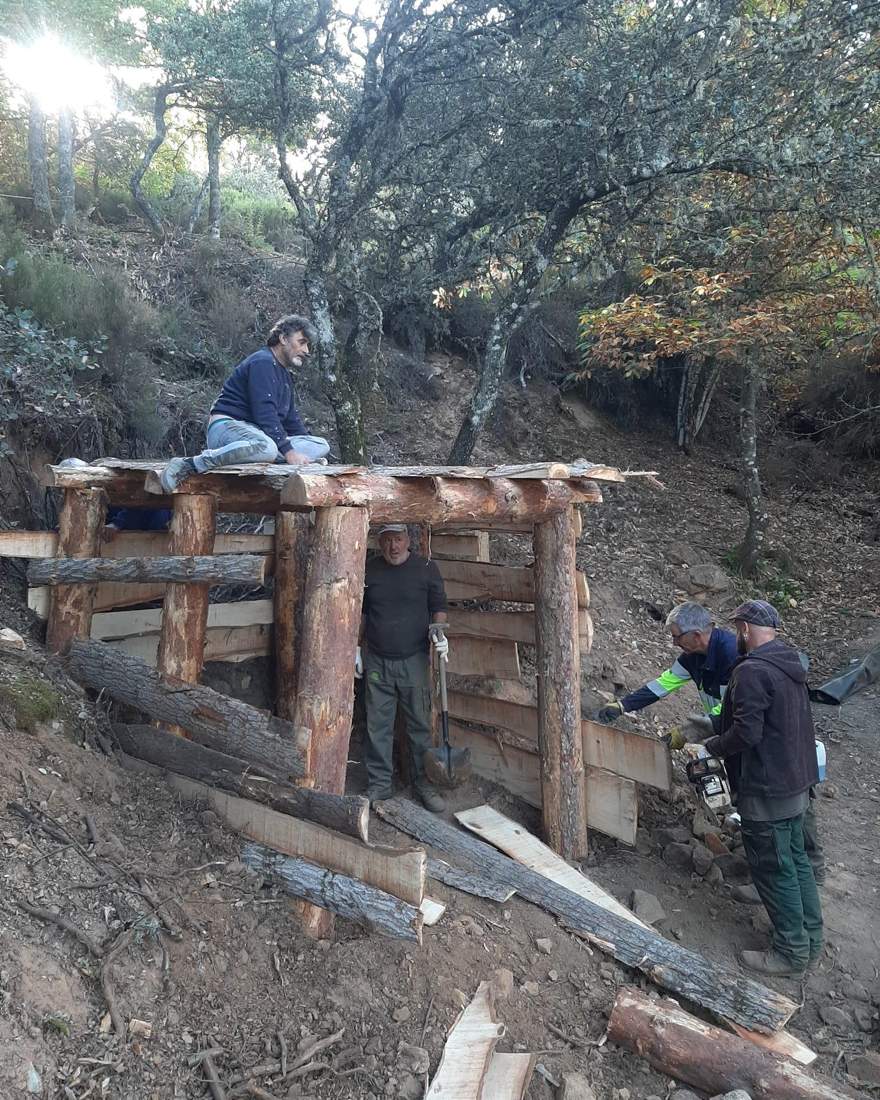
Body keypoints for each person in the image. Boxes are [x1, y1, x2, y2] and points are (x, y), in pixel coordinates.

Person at [704, 600, 823, 977]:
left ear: (744, 629)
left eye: (737, 627)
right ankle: (812, 938)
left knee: (774, 869)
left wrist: (712, 746)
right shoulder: (789, 663)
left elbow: (747, 732)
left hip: (767, 788)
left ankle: (790, 951)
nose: (736, 634)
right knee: (797, 862)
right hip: (796, 782)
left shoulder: (753, 671)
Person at [159, 314, 330, 493]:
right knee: (267, 448)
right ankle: (190, 464)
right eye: (302, 342)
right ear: (283, 339)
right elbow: (264, 413)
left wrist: (302, 454)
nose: (307, 350)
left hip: (258, 437)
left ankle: (271, 456)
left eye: (308, 345)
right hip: (227, 428)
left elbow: (291, 421)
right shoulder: (262, 362)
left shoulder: (285, 375)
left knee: (320, 445)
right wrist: (289, 452)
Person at [357, 524, 449, 812]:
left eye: (397, 540)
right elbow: (361, 611)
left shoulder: (425, 568)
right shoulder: (370, 570)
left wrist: (440, 633)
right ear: (379, 543)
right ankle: (379, 785)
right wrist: (354, 648)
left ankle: (424, 784)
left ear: (408, 540)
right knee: (377, 726)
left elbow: (438, 605)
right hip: (377, 661)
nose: (393, 547)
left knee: (419, 726)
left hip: (414, 661)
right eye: (386, 541)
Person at [595, 602, 738, 735]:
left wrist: (686, 734)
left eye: (677, 637)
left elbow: (728, 708)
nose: (674, 643)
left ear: (696, 635)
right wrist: (623, 705)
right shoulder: (692, 655)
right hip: (723, 728)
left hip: (741, 732)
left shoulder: (731, 656)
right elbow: (662, 685)